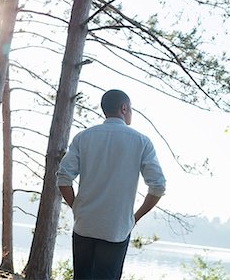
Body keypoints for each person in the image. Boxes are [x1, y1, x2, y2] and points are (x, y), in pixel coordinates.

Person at [57, 89, 166, 280]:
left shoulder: (84, 137)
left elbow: (63, 178)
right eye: (131, 109)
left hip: (85, 224)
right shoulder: (141, 142)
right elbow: (158, 186)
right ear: (124, 108)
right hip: (116, 229)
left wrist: (76, 208)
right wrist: (135, 218)